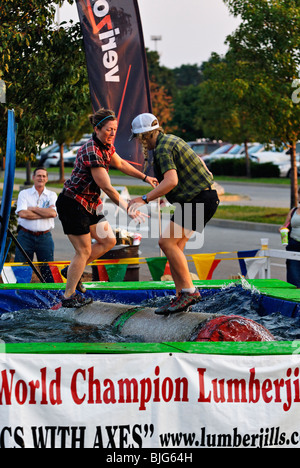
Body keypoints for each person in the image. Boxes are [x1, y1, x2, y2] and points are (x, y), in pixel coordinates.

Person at [56, 108, 158, 308]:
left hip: (90, 205)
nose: (112, 133)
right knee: (83, 251)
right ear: (97, 129)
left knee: (108, 240)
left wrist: (145, 177)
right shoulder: (91, 150)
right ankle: (69, 296)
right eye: (108, 129)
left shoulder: (107, 147)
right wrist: (128, 207)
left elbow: (121, 164)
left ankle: (71, 271)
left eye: (115, 129)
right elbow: (107, 187)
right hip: (73, 204)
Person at [128, 113, 220, 315]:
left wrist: (143, 199)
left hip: (198, 200)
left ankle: (189, 292)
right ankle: (181, 295)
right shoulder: (173, 139)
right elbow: (204, 167)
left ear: (145, 136)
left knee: (166, 243)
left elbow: (171, 181)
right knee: (175, 246)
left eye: (138, 139)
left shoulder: (161, 148)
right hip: (200, 198)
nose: (138, 143)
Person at [15, 167, 58, 281]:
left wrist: (33, 209)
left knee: (48, 271)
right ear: (33, 177)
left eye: (44, 176)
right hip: (25, 236)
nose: (41, 178)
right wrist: (44, 213)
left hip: (45, 237)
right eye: (38, 175)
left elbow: (53, 213)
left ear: (47, 179)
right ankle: (20, 295)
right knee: (21, 268)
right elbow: (23, 213)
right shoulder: (24, 194)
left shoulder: (52, 195)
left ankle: (49, 296)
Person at [280, 187, 300, 288]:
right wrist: (282, 229)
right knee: (293, 276)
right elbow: (286, 225)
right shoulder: (293, 211)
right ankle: (294, 301)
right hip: (293, 245)